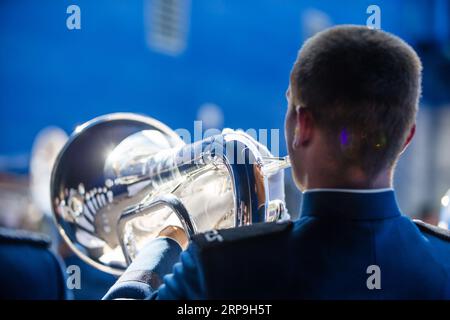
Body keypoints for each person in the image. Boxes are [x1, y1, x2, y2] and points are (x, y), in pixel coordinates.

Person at [104, 25, 450, 300]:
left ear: (303, 125)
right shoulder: (443, 262)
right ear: (407, 138)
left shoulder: (219, 267)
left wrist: (169, 234)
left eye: (289, 107)